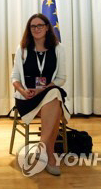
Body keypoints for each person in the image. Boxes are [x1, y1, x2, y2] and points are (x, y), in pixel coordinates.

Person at [11, 13, 70, 176]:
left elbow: (61, 78)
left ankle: (43, 149)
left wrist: (42, 89)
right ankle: (49, 155)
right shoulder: (22, 49)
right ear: (29, 29)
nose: (37, 29)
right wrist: (22, 90)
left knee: (54, 93)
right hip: (27, 97)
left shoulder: (58, 48)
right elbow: (14, 77)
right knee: (56, 100)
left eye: (40, 25)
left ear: (47, 28)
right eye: (33, 26)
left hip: (48, 91)